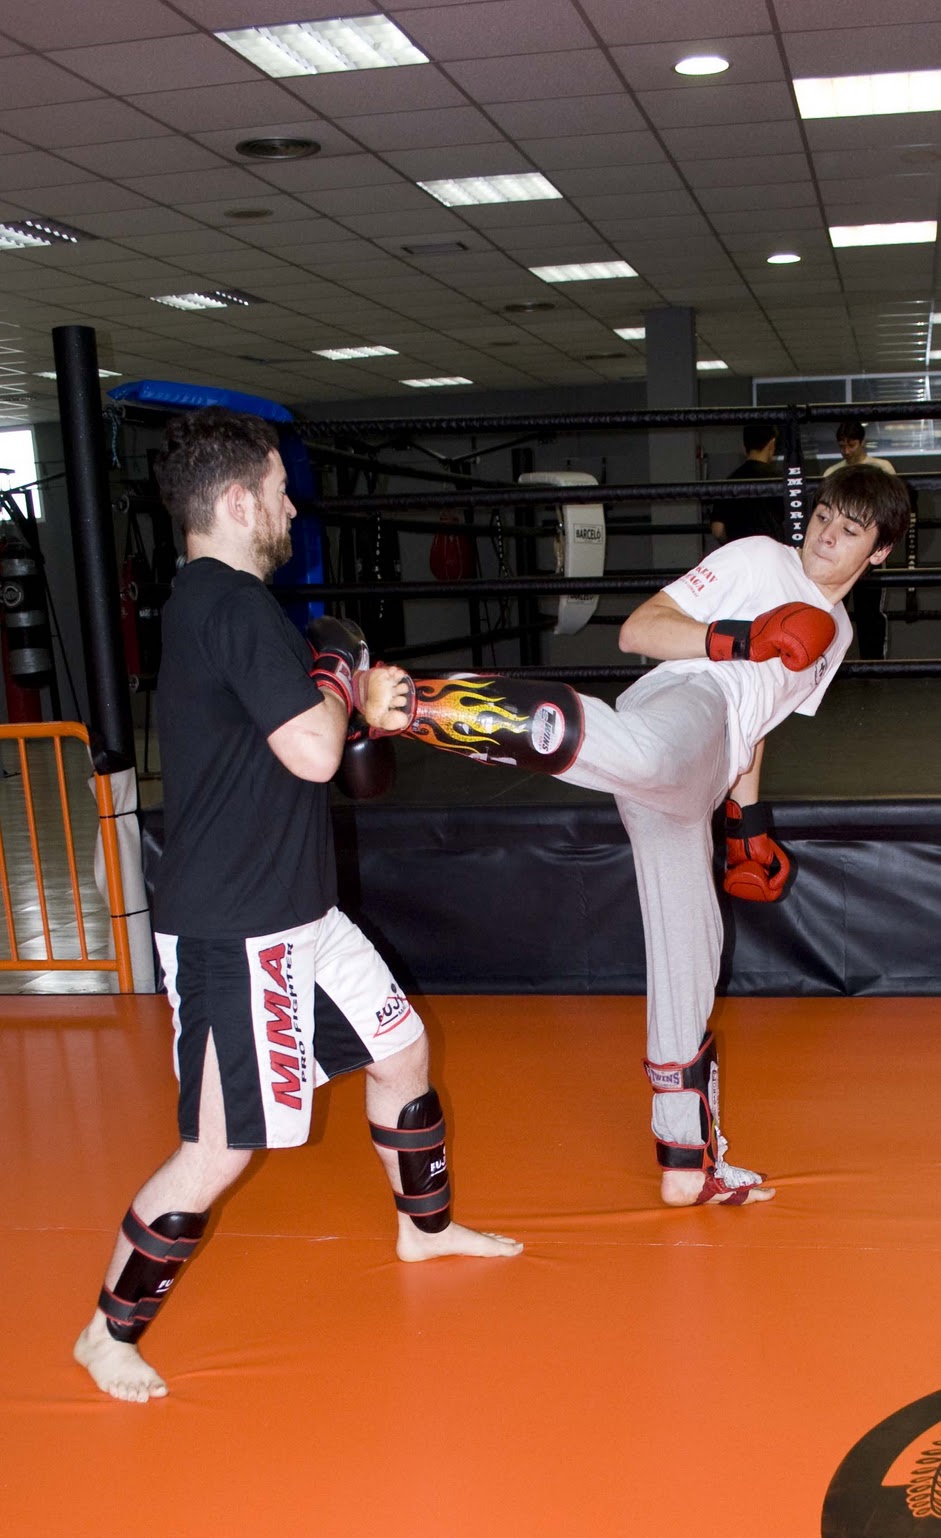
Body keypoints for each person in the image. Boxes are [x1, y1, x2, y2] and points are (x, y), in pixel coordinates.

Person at [74, 407, 521, 1405]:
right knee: (217, 1147)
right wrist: (344, 682)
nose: (288, 505)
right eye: (277, 490)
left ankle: (424, 1227)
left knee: (399, 1049)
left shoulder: (220, 605)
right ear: (236, 502)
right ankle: (107, 1334)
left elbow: (308, 743)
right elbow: (318, 751)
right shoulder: (228, 605)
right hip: (238, 926)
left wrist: (351, 691)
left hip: (297, 909)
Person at [381, 466, 912, 1208]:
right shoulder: (760, 558)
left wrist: (745, 831)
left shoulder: (840, 634)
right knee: (651, 753)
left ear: (879, 552)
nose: (825, 534)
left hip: (709, 766)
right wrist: (740, 638)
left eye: (849, 530)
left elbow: (755, 731)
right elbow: (640, 629)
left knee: (692, 955)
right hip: (685, 703)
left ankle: (685, 1160)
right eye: (824, 514)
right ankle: (426, 705)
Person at [824, 421, 897, 659]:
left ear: (862, 442)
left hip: (868, 550)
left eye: (851, 444)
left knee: (870, 610)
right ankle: (829, 663)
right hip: (839, 552)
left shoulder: (881, 469)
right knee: (832, 606)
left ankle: (874, 664)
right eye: (842, 445)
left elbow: (892, 512)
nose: (846, 450)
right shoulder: (832, 473)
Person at [709, 422, 785, 544]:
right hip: (772, 553)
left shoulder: (730, 482)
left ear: (744, 448)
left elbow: (718, 530)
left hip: (740, 554)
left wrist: (733, 545)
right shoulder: (781, 481)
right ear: (772, 444)